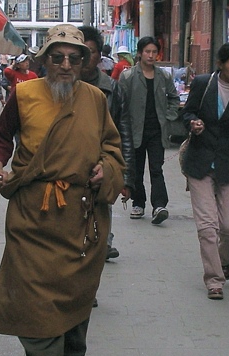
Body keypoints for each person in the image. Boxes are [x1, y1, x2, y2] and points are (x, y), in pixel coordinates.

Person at [0, 24, 125, 356]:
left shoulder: (95, 99)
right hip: (33, 208)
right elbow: (1, 137)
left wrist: (104, 169)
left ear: (83, 62)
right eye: (57, 57)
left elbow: (112, 147)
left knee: (75, 283)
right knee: (31, 283)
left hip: (80, 210)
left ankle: (69, 353)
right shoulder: (24, 93)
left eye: (73, 59)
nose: (65, 65)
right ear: (44, 60)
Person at [181, 42, 229, 300]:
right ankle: (214, 280)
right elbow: (188, 111)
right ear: (221, 64)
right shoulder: (203, 84)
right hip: (200, 162)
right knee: (207, 226)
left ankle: (223, 260)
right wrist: (193, 122)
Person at [78, 25, 135, 303]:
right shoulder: (59, 83)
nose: (85, 58)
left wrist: (126, 176)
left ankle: (89, 286)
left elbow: (124, 131)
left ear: (99, 55)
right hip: (68, 169)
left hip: (103, 168)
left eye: (91, 53)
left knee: (98, 232)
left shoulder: (112, 88)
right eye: (81, 52)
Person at [119, 36, 179, 224]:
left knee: (156, 168)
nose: (151, 55)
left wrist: (168, 116)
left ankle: (159, 205)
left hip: (157, 131)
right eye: (147, 51)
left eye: (154, 52)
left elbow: (174, 98)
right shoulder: (128, 77)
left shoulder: (164, 76)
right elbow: (120, 103)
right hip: (135, 130)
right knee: (135, 169)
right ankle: (138, 203)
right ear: (140, 53)